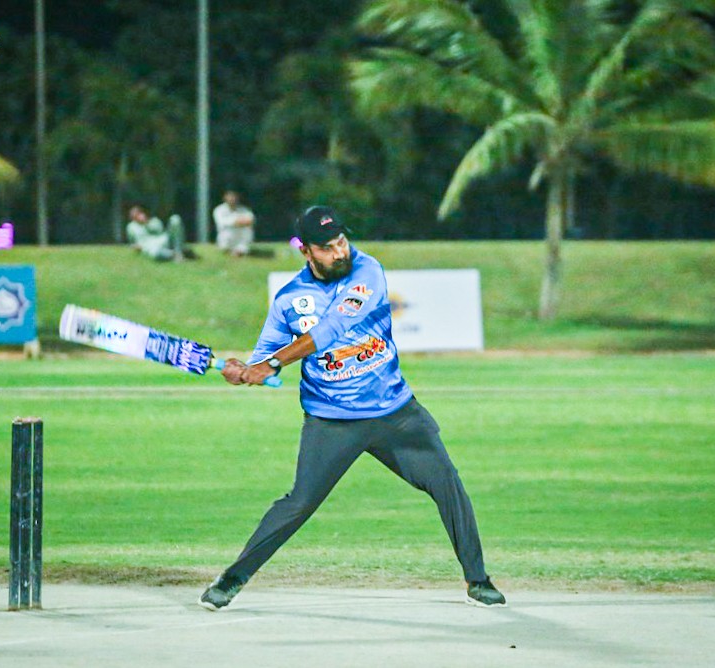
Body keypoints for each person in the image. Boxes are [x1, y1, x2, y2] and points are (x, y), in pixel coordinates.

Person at [197, 205, 505, 610]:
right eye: (327, 247)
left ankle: (477, 581)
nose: (340, 251)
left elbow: (331, 330)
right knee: (299, 504)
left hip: (396, 414)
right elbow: (266, 356)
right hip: (331, 422)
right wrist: (244, 370)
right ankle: (231, 579)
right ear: (306, 251)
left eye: (341, 241)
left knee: (447, 482)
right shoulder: (288, 300)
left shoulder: (367, 270)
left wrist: (270, 364)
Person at [212, 190, 256, 257]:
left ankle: (240, 250)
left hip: (240, 236)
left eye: (233, 196)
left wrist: (240, 222)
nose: (232, 199)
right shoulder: (219, 210)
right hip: (226, 237)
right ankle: (229, 249)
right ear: (225, 198)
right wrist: (237, 221)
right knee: (228, 231)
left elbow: (251, 220)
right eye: (229, 197)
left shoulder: (244, 209)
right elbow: (222, 223)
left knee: (247, 230)